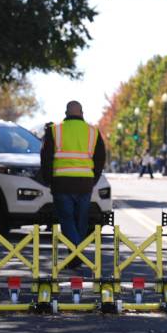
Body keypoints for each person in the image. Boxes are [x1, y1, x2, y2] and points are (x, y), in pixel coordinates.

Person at [40, 100, 106, 254]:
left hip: (62, 183)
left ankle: (75, 252)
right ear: (82, 113)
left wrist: (48, 180)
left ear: (65, 113)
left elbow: (46, 158)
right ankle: (77, 254)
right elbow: (100, 158)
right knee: (81, 220)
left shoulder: (54, 130)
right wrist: (94, 178)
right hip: (85, 183)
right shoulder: (93, 132)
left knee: (67, 220)